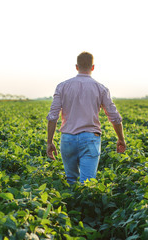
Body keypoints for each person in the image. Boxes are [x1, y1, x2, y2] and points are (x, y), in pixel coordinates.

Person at [46, 52, 126, 185]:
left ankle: (71, 205)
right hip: (90, 138)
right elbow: (115, 117)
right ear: (93, 67)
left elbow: (53, 116)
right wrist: (121, 139)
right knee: (87, 184)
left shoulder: (62, 86)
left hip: (67, 139)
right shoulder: (101, 88)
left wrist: (50, 142)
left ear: (76, 67)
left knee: (71, 180)